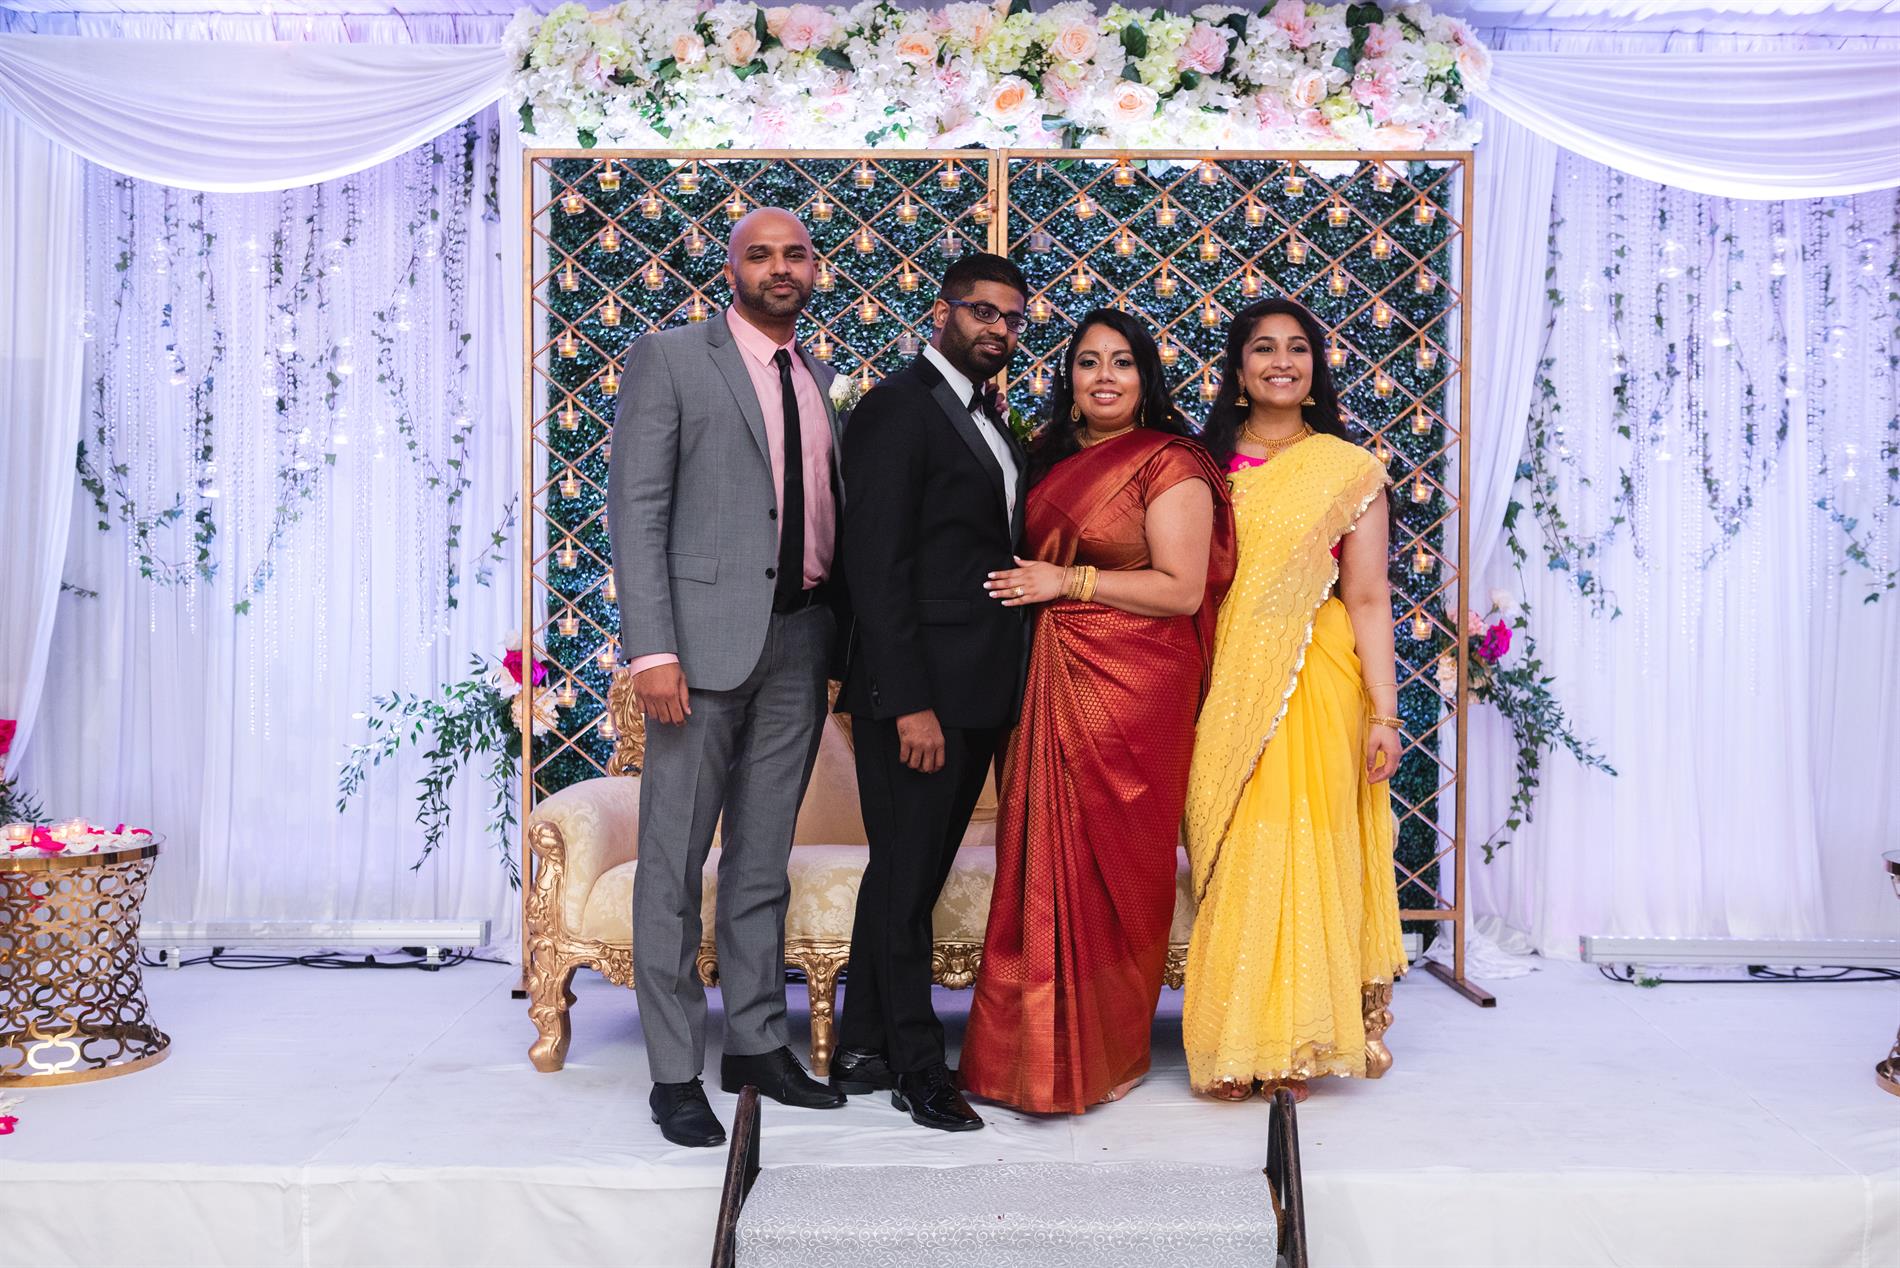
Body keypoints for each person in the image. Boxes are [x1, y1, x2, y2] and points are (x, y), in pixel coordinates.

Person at [607, 207, 848, 1148]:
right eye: (761, 254)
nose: (780, 268)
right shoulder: (672, 359)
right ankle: (675, 1072)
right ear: (732, 268)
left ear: (814, 269)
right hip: (697, 654)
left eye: (796, 254)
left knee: (761, 861)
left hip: (800, 643)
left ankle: (755, 1044)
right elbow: (637, 508)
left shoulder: (815, 375)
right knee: (672, 862)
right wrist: (652, 650)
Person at [956, 310, 1236, 1114]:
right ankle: (1026, 1057)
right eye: (1088, 362)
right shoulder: (1040, 457)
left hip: (1137, 686)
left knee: (1117, 867)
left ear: (1146, 378)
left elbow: (1180, 589)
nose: (1104, 377)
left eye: (1122, 362)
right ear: (1069, 378)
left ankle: (1105, 1049)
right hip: (1043, 676)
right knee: (1041, 859)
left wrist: (1066, 583)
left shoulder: (1170, 460)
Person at [1182, 297, 1408, 1103]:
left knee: (1295, 848)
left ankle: (1288, 1041)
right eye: (1264, 348)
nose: (1282, 361)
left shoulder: (1347, 469)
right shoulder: (1197, 465)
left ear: (1315, 368)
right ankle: (1233, 1036)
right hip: (1220, 679)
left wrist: (1385, 712)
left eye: (1298, 348)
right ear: (1239, 370)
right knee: (1240, 849)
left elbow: (1369, 596)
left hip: (1315, 680)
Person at [832, 253, 1032, 1133]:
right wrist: (907, 701)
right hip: (918, 698)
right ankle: (920, 1068)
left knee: (904, 878)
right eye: (982, 311)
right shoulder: (896, 408)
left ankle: (863, 1046)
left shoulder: (987, 416)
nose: (998, 329)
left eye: (1012, 318)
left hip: (978, 689)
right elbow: (874, 567)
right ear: (942, 313)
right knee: (908, 882)